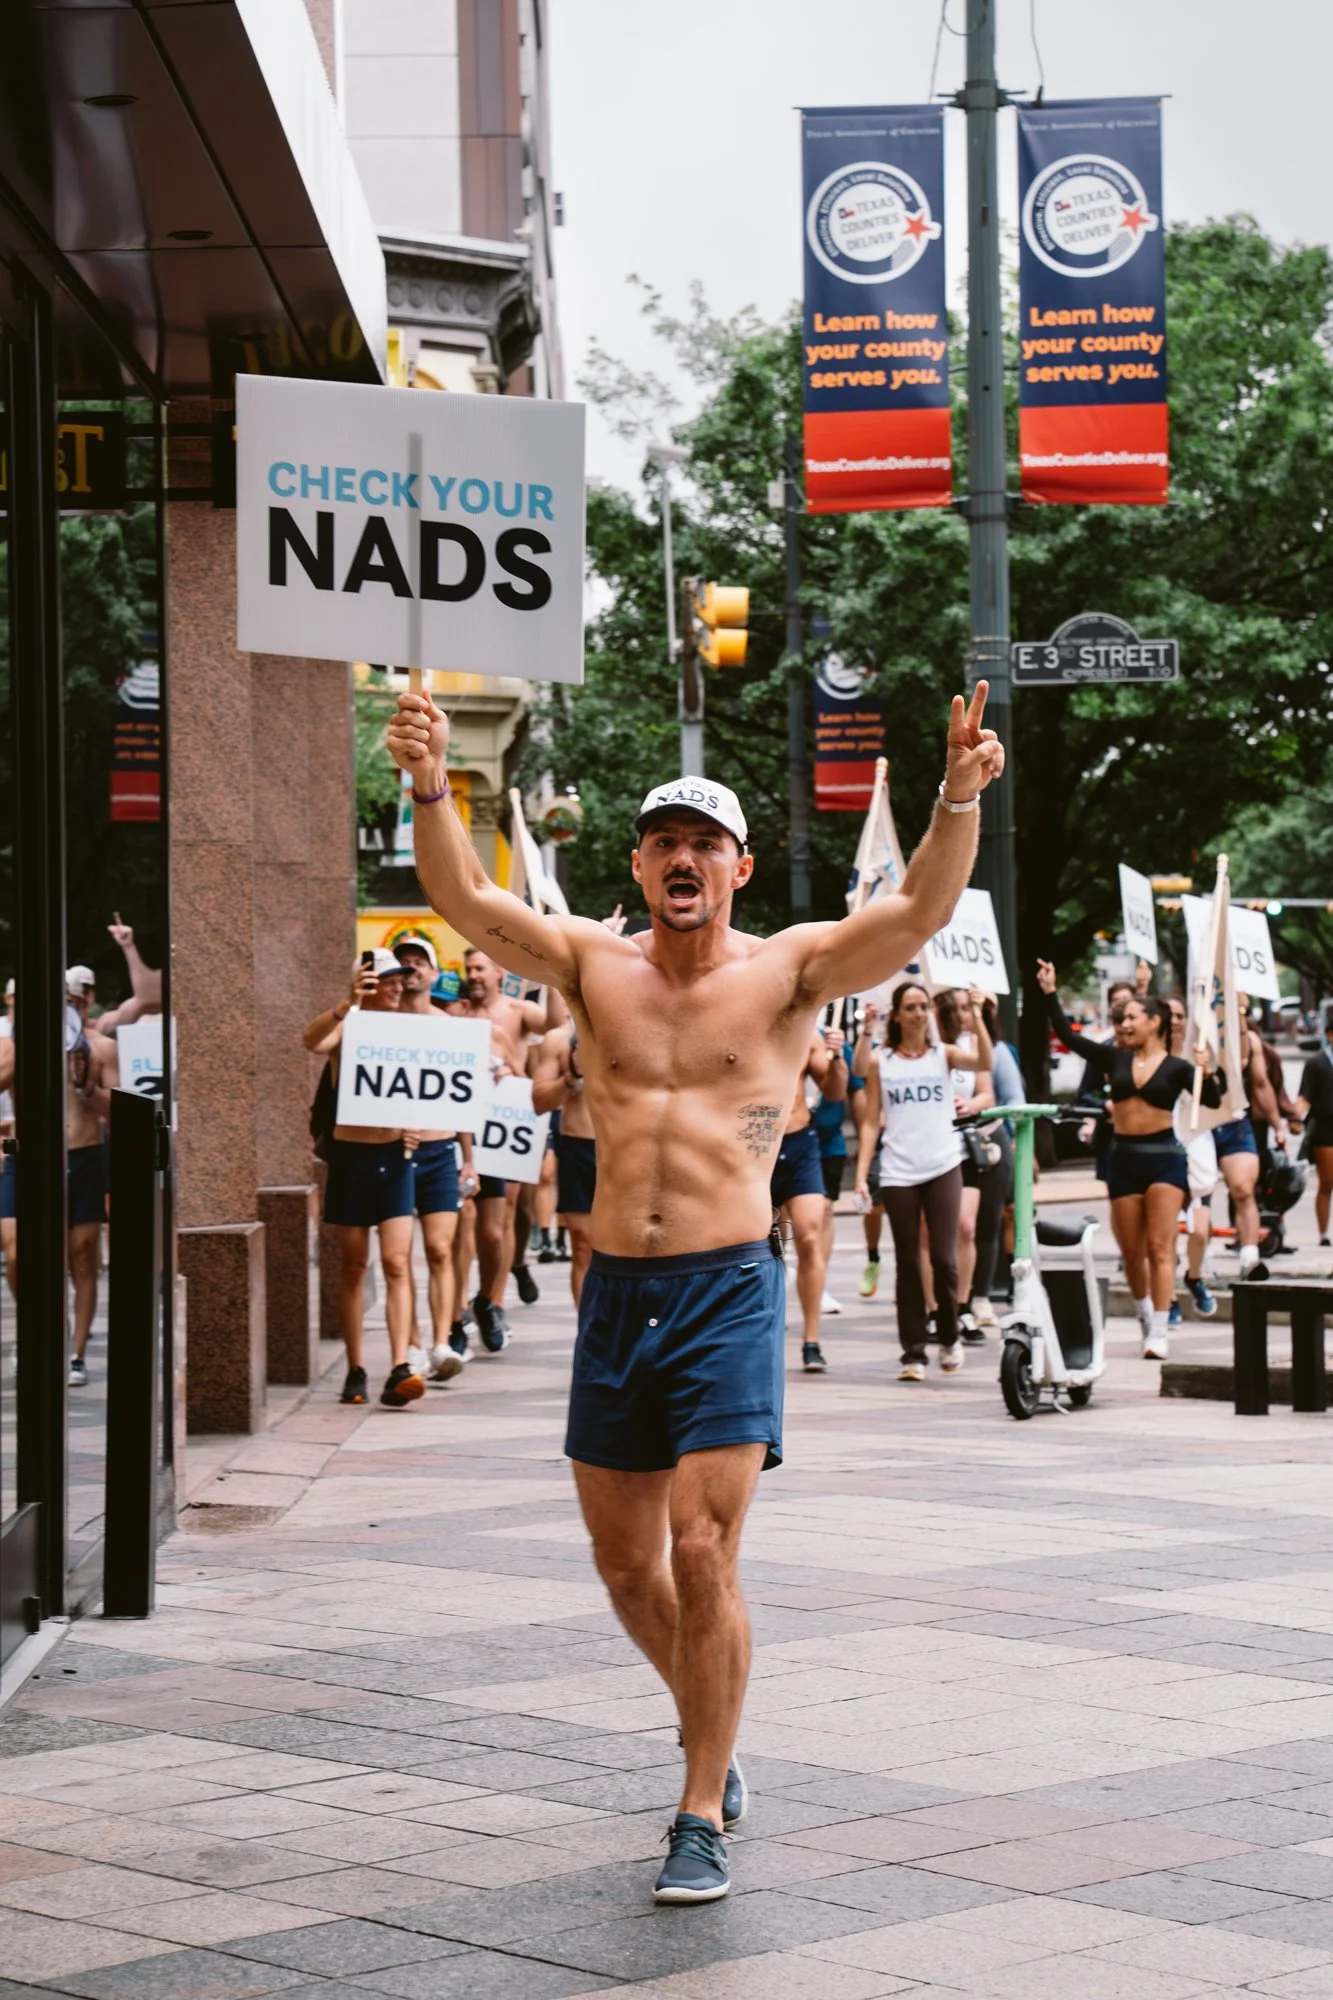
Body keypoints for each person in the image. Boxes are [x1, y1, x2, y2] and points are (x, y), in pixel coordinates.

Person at [388, 674, 1003, 1906]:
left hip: (726, 1285)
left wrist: (952, 796)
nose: (682, 857)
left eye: (704, 843)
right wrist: (423, 781)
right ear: (639, 860)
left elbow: (920, 908)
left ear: (737, 866)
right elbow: (459, 894)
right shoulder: (588, 965)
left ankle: (698, 1801)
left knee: (703, 1548)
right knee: (627, 1568)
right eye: (664, 839)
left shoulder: (788, 973)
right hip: (613, 1290)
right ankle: (713, 1727)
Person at [1038, 962, 1221, 1361]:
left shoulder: (1178, 1068)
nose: (1123, 1024)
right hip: (1122, 1158)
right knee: (1132, 1250)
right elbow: (1069, 1037)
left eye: (1131, 1018)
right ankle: (1144, 1314)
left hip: (1165, 1161)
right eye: (1121, 1019)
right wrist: (1050, 992)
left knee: (1160, 1246)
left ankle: (1160, 1328)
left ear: (1154, 1022)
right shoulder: (1113, 1059)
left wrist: (1209, 1072)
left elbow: (1213, 1100)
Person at [303, 951, 424, 1408]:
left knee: (396, 1261)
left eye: (400, 981)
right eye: (386, 980)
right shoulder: (348, 1025)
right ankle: (355, 1367)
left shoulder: (411, 1030)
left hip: (395, 1157)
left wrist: (419, 1124)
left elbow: (430, 1086)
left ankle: (400, 1367)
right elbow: (311, 1042)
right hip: (351, 1156)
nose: (396, 987)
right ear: (366, 983)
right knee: (354, 1265)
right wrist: (346, 1003)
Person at [854, 980, 992, 1381]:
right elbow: (868, 1122)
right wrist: (862, 1174)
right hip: (899, 1169)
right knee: (909, 1260)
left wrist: (979, 1014)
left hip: (943, 1163)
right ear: (896, 1015)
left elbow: (984, 1061)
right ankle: (913, 1352)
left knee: (944, 1259)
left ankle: (949, 1335)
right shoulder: (883, 1061)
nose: (918, 1014)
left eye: (923, 1007)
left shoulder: (943, 1055)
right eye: (910, 1007)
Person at [393, 934, 479, 1382]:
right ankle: (409, 1345)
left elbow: (463, 1100)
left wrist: (469, 1159)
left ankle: (442, 1339)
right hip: (394, 1152)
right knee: (399, 1255)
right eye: (403, 962)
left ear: (432, 972)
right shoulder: (380, 1023)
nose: (412, 969)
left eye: (419, 961)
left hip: (441, 1149)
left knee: (440, 1248)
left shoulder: (450, 1028)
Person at [453, 947, 546, 1351]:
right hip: (455, 1139)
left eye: (480, 968)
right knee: (457, 1232)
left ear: (497, 972)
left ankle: (491, 1298)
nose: (473, 975)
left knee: (501, 1225)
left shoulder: (512, 1015)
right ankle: (455, 1317)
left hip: (499, 1136)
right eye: (468, 968)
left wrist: (507, 1074)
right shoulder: (452, 1018)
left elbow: (529, 1068)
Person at [771, 1025, 847, 1374]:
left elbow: (834, 1091)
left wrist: (837, 1059)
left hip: (799, 1141)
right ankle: (761, 1332)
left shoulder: (806, 1031)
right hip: (755, 1146)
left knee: (810, 1234)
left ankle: (811, 1341)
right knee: (759, 1244)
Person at [934, 987, 996, 1345]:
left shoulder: (972, 1044)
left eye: (968, 1007)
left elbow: (987, 1091)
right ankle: (934, 1308)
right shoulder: (930, 1045)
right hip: (933, 1144)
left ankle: (963, 1304)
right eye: (957, 1007)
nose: (965, 1014)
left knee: (966, 1228)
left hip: (965, 1144)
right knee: (932, 1235)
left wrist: (971, 1105)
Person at [1208, 990, 1281, 1283]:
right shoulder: (1193, 1033)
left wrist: (1278, 1124)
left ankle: (1250, 1258)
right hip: (1199, 1126)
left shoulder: (1248, 1041)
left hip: (1236, 1123)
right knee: (1194, 1195)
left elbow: (1261, 1084)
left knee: (1244, 1190)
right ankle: (1196, 1262)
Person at [65, 968, 111, 1388]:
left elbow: (120, 1110)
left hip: (86, 1155)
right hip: (43, 1159)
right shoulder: (30, 1046)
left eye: (78, 998)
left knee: (83, 1257)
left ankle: (77, 1354)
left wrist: (87, 1088)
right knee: (30, 1255)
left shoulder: (102, 1047)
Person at [532, 1016, 597, 1303]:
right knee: (582, 1246)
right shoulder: (559, 1039)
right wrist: (572, 1076)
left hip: (624, 1149)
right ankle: (588, 1337)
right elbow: (539, 1100)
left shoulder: (633, 1023)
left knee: (628, 1250)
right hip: (578, 1146)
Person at [1169, 994, 1219, 1322]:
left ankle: (1194, 1276)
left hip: (1197, 1148)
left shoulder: (1197, 1055)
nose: (1174, 1020)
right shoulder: (1148, 1058)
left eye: (1179, 1015)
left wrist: (1208, 1071)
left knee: (1199, 1231)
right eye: (1168, 1014)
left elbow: (1216, 1099)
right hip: (1164, 1152)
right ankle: (1169, 1297)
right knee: (1167, 1233)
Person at [850, 1001, 886, 1297]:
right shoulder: (872, 1049)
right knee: (874, 1206)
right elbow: (859, 1070)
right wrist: (868, 1030)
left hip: (911, 1139)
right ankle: (873, 1259)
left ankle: (911, 1270)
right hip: (881, 1140)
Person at [1296, 1013, 1333, 1246]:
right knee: (1327, 1181)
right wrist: (1292, 1118)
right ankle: (1323, 1233)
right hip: (1326, 1125)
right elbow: (1305, 1096)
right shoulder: (1316, 1063)